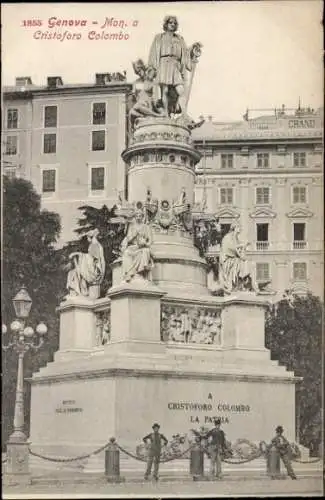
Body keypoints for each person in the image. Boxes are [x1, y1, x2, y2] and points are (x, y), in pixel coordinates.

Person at [148, 16, 195, 116]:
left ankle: (184, 114)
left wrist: (192, 53)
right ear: (166, 24)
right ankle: (165, 113)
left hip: (175, 66)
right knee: (164, 90)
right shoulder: (159, 37)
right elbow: (153, 53)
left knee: (181, 90)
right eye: (170, 22)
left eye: (174, 23)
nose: (173, 24)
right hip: (163, 64)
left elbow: (185, 53)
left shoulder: (179, 39)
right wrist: (152, 68)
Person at [218, 222, 258, 294]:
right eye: (239, 227)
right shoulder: (227, 237)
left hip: (235, 259)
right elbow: (229, 248)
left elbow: (239, 250)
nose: (240, 229)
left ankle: (250, 286)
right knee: (246, 265)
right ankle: (243, 284)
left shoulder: (236, 238)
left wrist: (244, 246)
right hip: (228, 260)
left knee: (251, 265)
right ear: (234, 228)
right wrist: (241, 246)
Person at [65, 228, 105, 299]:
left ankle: (79, 292)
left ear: (90, 237)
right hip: (89, 267)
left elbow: (94, 259)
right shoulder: (93, 245)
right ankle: (77, 292)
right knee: (72, 272)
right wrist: (79, 254)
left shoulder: (95, 244)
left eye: (87, 237)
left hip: (93, 270)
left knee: (76, 272)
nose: (87, 239)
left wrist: (78, 254)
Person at [121, 208, 154, 282]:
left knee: (145, 251)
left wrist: (145, 243)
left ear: (143, 217)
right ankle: (129, 273)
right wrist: (134, 235)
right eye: (137, 216)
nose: (138, 217)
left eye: (140, 216)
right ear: (135, 217)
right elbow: (128, 239)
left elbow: (150, 241)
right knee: (126, 253)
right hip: (134, 247)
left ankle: (140, 272)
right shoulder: (132, 227)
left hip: (142, 247)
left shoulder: (146, 227)